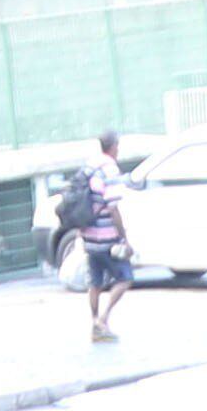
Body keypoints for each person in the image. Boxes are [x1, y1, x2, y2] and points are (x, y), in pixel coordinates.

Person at [76, 133, 134, 344]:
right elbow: (112, 206)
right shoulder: (110, 169)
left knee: (95, 283)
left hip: (88, 236)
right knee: (125, 278)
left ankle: (95, 325)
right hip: (106, 237)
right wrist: (123, 237)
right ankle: (102, 320)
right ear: (114, 147)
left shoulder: (89, 166)